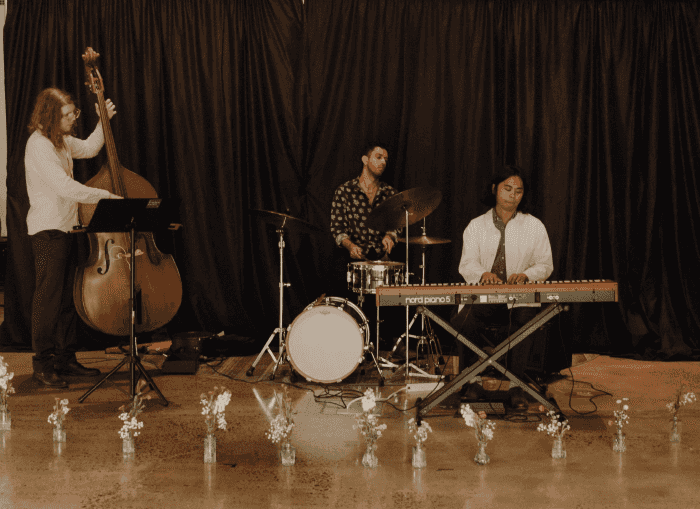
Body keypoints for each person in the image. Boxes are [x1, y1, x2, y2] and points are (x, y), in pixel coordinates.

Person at [25, 87, 122, 388]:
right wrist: (106, 195)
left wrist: (102, 120)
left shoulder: (61, 141)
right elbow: (66, 188)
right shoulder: (39, 146)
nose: (71, 120)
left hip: (66, 229)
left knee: (67, 301)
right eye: (66, 115)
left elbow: (92, 148)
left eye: (73, 113)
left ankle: (65, 360)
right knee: (49, 300)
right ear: (51, 117)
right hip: (48, 231)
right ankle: (42, 364)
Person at [452, 165, 553, 410]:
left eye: (518, 191)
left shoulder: (534, 225)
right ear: (495, 189)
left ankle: (516, 386)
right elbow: (466, 264)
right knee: (462, 322)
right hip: (485, 298)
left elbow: (545, 264)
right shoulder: (476, 225)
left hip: (519, 300)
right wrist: (482, 274)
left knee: (526, 319)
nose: (512, 195)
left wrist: (527, 276)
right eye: (507, 188)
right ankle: (474, 379)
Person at [329, 143, 403, 349]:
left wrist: (391, 235)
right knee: (337, 277)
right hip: (351, 255)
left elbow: (398, 225)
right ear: (365, 160)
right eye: (378, 157)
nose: (383, 162)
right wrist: (350, 245)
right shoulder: (345, 191)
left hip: (379, 257)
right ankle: (343, 339)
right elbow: (337, 229)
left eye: (386, 159)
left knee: (397, 279)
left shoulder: (390, 193)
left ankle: (387, 342)